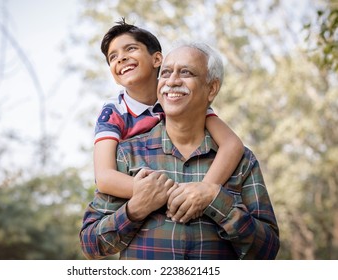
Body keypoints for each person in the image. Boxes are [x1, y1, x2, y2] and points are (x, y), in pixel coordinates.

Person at [80, 42, 280, 260]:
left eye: (185, 72)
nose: (172, 81)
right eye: (165, 73)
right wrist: (135, 209)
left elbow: (267, 251)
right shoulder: (127, 154)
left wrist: (215, 198)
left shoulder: (242, 162)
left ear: (211, 89)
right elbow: (90, 245)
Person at [94, 19, 244, 220]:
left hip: (190, 181)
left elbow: (232, 144)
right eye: (113, 57)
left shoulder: (179, 95)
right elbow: (104, 177)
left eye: (130, 48)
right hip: (144, 194)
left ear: (157, 60)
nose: (121, 58)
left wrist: (204, 190)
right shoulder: (113, 111)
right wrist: (159, 194)